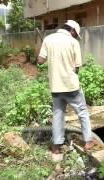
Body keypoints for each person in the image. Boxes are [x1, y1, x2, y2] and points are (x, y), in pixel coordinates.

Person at [37, 20, 96, 154]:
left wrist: (49, 53)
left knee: (58, 114)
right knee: (82, 112)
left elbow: (40, 60)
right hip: (71, 86)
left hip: (55, 86)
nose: (75, 37)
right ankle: (88, 141)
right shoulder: (73, 42)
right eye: (76, 34)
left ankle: (56, 146)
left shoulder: (48, 39)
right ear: (72, 30)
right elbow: (77, 67)